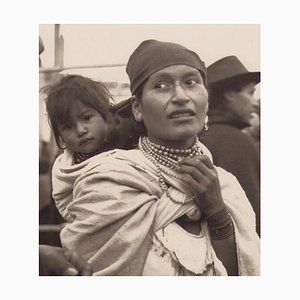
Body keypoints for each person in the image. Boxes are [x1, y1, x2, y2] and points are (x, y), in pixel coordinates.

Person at [58, 40, 260, 276]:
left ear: (206, 100)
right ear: (137, 108)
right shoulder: (109, 180)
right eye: (162, 85)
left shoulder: (226, 186)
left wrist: (217, 211)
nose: (180, 96)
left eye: (191, 82)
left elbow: (246, 274)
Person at [199, 56, 260, 236]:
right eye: (250, 93)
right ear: (229, 94)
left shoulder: (204, 136)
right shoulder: (235, 141)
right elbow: (252, 215)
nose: (254, 102)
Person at [44, 74, 115, 221]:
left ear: (105, 115)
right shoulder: (63, 169)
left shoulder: (126, 150)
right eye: (68, 126)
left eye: (87, 118)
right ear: (60, 135)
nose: (80, 130)